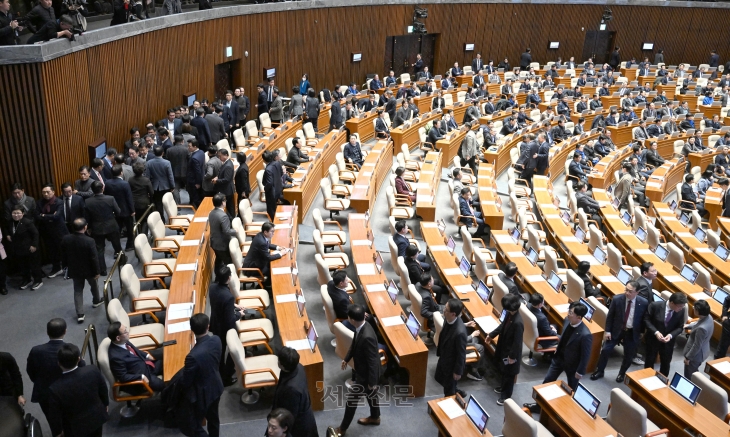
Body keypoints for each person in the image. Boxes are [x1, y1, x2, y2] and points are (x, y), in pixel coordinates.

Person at [26, 318, 89, 422]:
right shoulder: (71, 350)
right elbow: (82, 369)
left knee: (53, 420)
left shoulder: (36, 351)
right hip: (69, 391)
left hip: (46, 394)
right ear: (65, 331)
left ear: (47, 332)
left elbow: (30, 371)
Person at [333, 304, 381, 435]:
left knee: (351, 401)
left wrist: (372, 383)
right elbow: (354, 342)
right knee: (371, 396)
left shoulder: (367, 336)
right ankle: (375, 417)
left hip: (366, 375)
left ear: (352, 319)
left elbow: (373, 362)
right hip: (362, 369)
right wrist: (346, 358)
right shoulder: (361, 326)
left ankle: (342, 429)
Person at [590, 280, 647, 383]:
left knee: (629, 355)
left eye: (630, 291)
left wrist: (641, 332)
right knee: (605, 350)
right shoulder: (617, 299)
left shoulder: (643, 302)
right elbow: (610, 317)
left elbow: (643, 319)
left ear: (637, 292)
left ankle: (621, 373)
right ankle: (600, 370)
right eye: (626, 290)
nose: (627, 293)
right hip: (616, 330)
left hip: (631, 332)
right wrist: (607, 331)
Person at [47, 343, 109, 437]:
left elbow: (55, 415)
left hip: (74, 428)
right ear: (78, 359)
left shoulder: (54, 389)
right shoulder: (93, 370)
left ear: (59, 363)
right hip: (97, 417)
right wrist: (105, 404)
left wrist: (58, 431)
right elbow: (103, 389)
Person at [178, 313, 224, 437]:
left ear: (192, 330)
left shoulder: (192, 356)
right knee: (214, 418)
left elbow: (187, 381)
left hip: (202, 394)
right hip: (216, 386)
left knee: (193, 424)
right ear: (208, 327)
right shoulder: (216, 340)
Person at [540, 301, 592, 391]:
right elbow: (564, 337)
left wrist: (580, 371)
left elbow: (585, 355)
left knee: (572, 389)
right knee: (547, 381)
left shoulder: (585, 335)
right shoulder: (567, 320)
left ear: (579, 317)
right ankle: (539, 404)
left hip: (572, 365)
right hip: (558, 358)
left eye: (571, 313)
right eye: (569, 311)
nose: (568, 314)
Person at [208, 266, 246, 387]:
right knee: (231, 350)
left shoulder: (212, 287)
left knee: (220, 351)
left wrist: (233, 305)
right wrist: (239, 314)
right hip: (225, 327)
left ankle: (221, 372)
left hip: (215, 322)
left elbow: (219, 300)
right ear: (229, 278)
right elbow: (230, 320)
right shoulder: (228, 296)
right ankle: (226, 376)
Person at [271, 348, 318, 437]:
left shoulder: (291, 390)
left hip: (299, 426)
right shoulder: (298, 366)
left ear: (282, 365)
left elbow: (289, 416)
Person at [61, 218, 101, 323]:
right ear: (85, 227)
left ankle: (80, 313)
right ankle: (96, 301)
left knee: (77, 290)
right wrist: (97, 271)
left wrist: (65, 266)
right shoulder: (89, 241)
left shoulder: (66, 239)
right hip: (89, 270)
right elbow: (94, 258)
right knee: (94, 285)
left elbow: (63, 255)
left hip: (74, 269)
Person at [486, 294, 524, 405]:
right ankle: (502, 387)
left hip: (511, 353)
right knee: (504, 371)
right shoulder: (510, 314)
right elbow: (502, 326)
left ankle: (506, 397)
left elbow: (517, 343)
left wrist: (512, 357)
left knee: (509, 375)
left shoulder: (518, 322)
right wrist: (491, 335)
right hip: (504, 346)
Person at [107, 321, 164, 393]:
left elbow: (135, 350)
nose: (128, 332)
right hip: (141, 378)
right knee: (164, 385)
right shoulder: (115, 357)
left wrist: (147, 355)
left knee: (166, 362)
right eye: (125, 331)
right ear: (118, 338)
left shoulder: (122, 340)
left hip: (147, 365)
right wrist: (141, 377)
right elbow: (123, 377)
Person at [642, 292, 688, 376]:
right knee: (649, 361)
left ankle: (662, 381)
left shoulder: (681, 310)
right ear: (672, 303)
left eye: (682, 306)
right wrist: (656, 332)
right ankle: (647, 378)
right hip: (653, 339)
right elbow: (646, 320)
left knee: (666, 363)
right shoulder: (655, 306)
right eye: (679, 306)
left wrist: (670, 335)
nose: (681, 308)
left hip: (668, 342)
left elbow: (680, 327)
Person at [84, 181, 121, 276]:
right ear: (102, 188)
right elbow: (118, 212)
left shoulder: (88, 201)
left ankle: (103, 270)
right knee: (117, 245)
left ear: (92, 190)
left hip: (97, 228)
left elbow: (87, 217)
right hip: (111, 225)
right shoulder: (110, 198)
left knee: (99, 250)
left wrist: (89, 227)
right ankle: (122, 262)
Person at [435, 298, 467, 398]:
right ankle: (456, 389)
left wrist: (458, 372)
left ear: (453, 314)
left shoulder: (460, 333)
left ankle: (451, 399)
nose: (444, 310)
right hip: (444, 356)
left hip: (451, 365)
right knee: (439, 378)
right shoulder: (448, 318)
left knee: (448, 391)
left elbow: (461, 354)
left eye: (446, 309)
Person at [5, 205, 43, 290]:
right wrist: (7, 234)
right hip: (18, 249)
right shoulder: (10, 221)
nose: (16, 215)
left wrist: (34, 245)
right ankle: (27, 280)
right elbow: (7, 229)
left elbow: (35, 234)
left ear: (22, 213)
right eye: (14, 213)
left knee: (34, 266)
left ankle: (38, 281)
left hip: (30, 248)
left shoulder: (27, 222)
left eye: (18, 213)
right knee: (23, 266)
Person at [35, 183, 67, 277]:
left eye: (48, 192)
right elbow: (37, 216)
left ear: (53, 192)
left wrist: (44, 215)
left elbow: (57, 216)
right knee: (51, 251)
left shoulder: (59, 202)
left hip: (59, 231)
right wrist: (50, 216)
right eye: (43, 192)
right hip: (46, 231)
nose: (45, 194)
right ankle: (56, 268)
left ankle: (67, 268)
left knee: (63, 250)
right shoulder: (39, 202)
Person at [104, 166, 135, 251]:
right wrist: (132, 210)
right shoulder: (125, 183)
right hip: (126, 211)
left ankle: (117, 250)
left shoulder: (107, 183)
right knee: (129, 229)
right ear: (121, 173)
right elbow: (129, 198)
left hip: (114, 211)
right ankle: (129, 245)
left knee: (117, 231)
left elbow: (106, 195)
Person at [683, 300, 713, 378]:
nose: (693, 308)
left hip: (696, 356)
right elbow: (698, 323)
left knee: (689, 375)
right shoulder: (708, 316)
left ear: (699, 311)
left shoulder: (702, 329)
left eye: (695, 308)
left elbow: (697, 345)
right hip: (704, 349)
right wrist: (688, 325)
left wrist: (688, 358)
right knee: (694, 371)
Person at [146, 145, 175, 220]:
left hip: (155, 186)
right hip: (166, 186)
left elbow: (147, 177)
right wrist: (172, 186)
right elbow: (170, 176)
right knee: (168, 203)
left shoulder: (149, 163)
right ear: (163, 153)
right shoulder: (167, 162)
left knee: (158, 204)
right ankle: (172, 218)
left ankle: (161, 219)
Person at [209, 194, 237, 272]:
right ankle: (228, 279)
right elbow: (227, 231)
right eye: (225, 200)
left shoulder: (211, 212)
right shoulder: (223, 216)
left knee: (218, 260)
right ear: (222, 203)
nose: (226, 202)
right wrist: (235, 231)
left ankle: (218, 278)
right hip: (222, 244)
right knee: (229, 263)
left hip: (214, 242)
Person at [212, 149, 235, 219]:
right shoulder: (226, 162)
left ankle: (231, 221)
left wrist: (217, 181)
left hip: (226, 190)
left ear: (226, 155)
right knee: (229, 207)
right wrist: (217, 177)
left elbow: (226, 179)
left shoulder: (228, 165)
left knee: (229, 208)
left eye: (220, 156)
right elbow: (223, 174)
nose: (219, 158)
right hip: (226, 189)